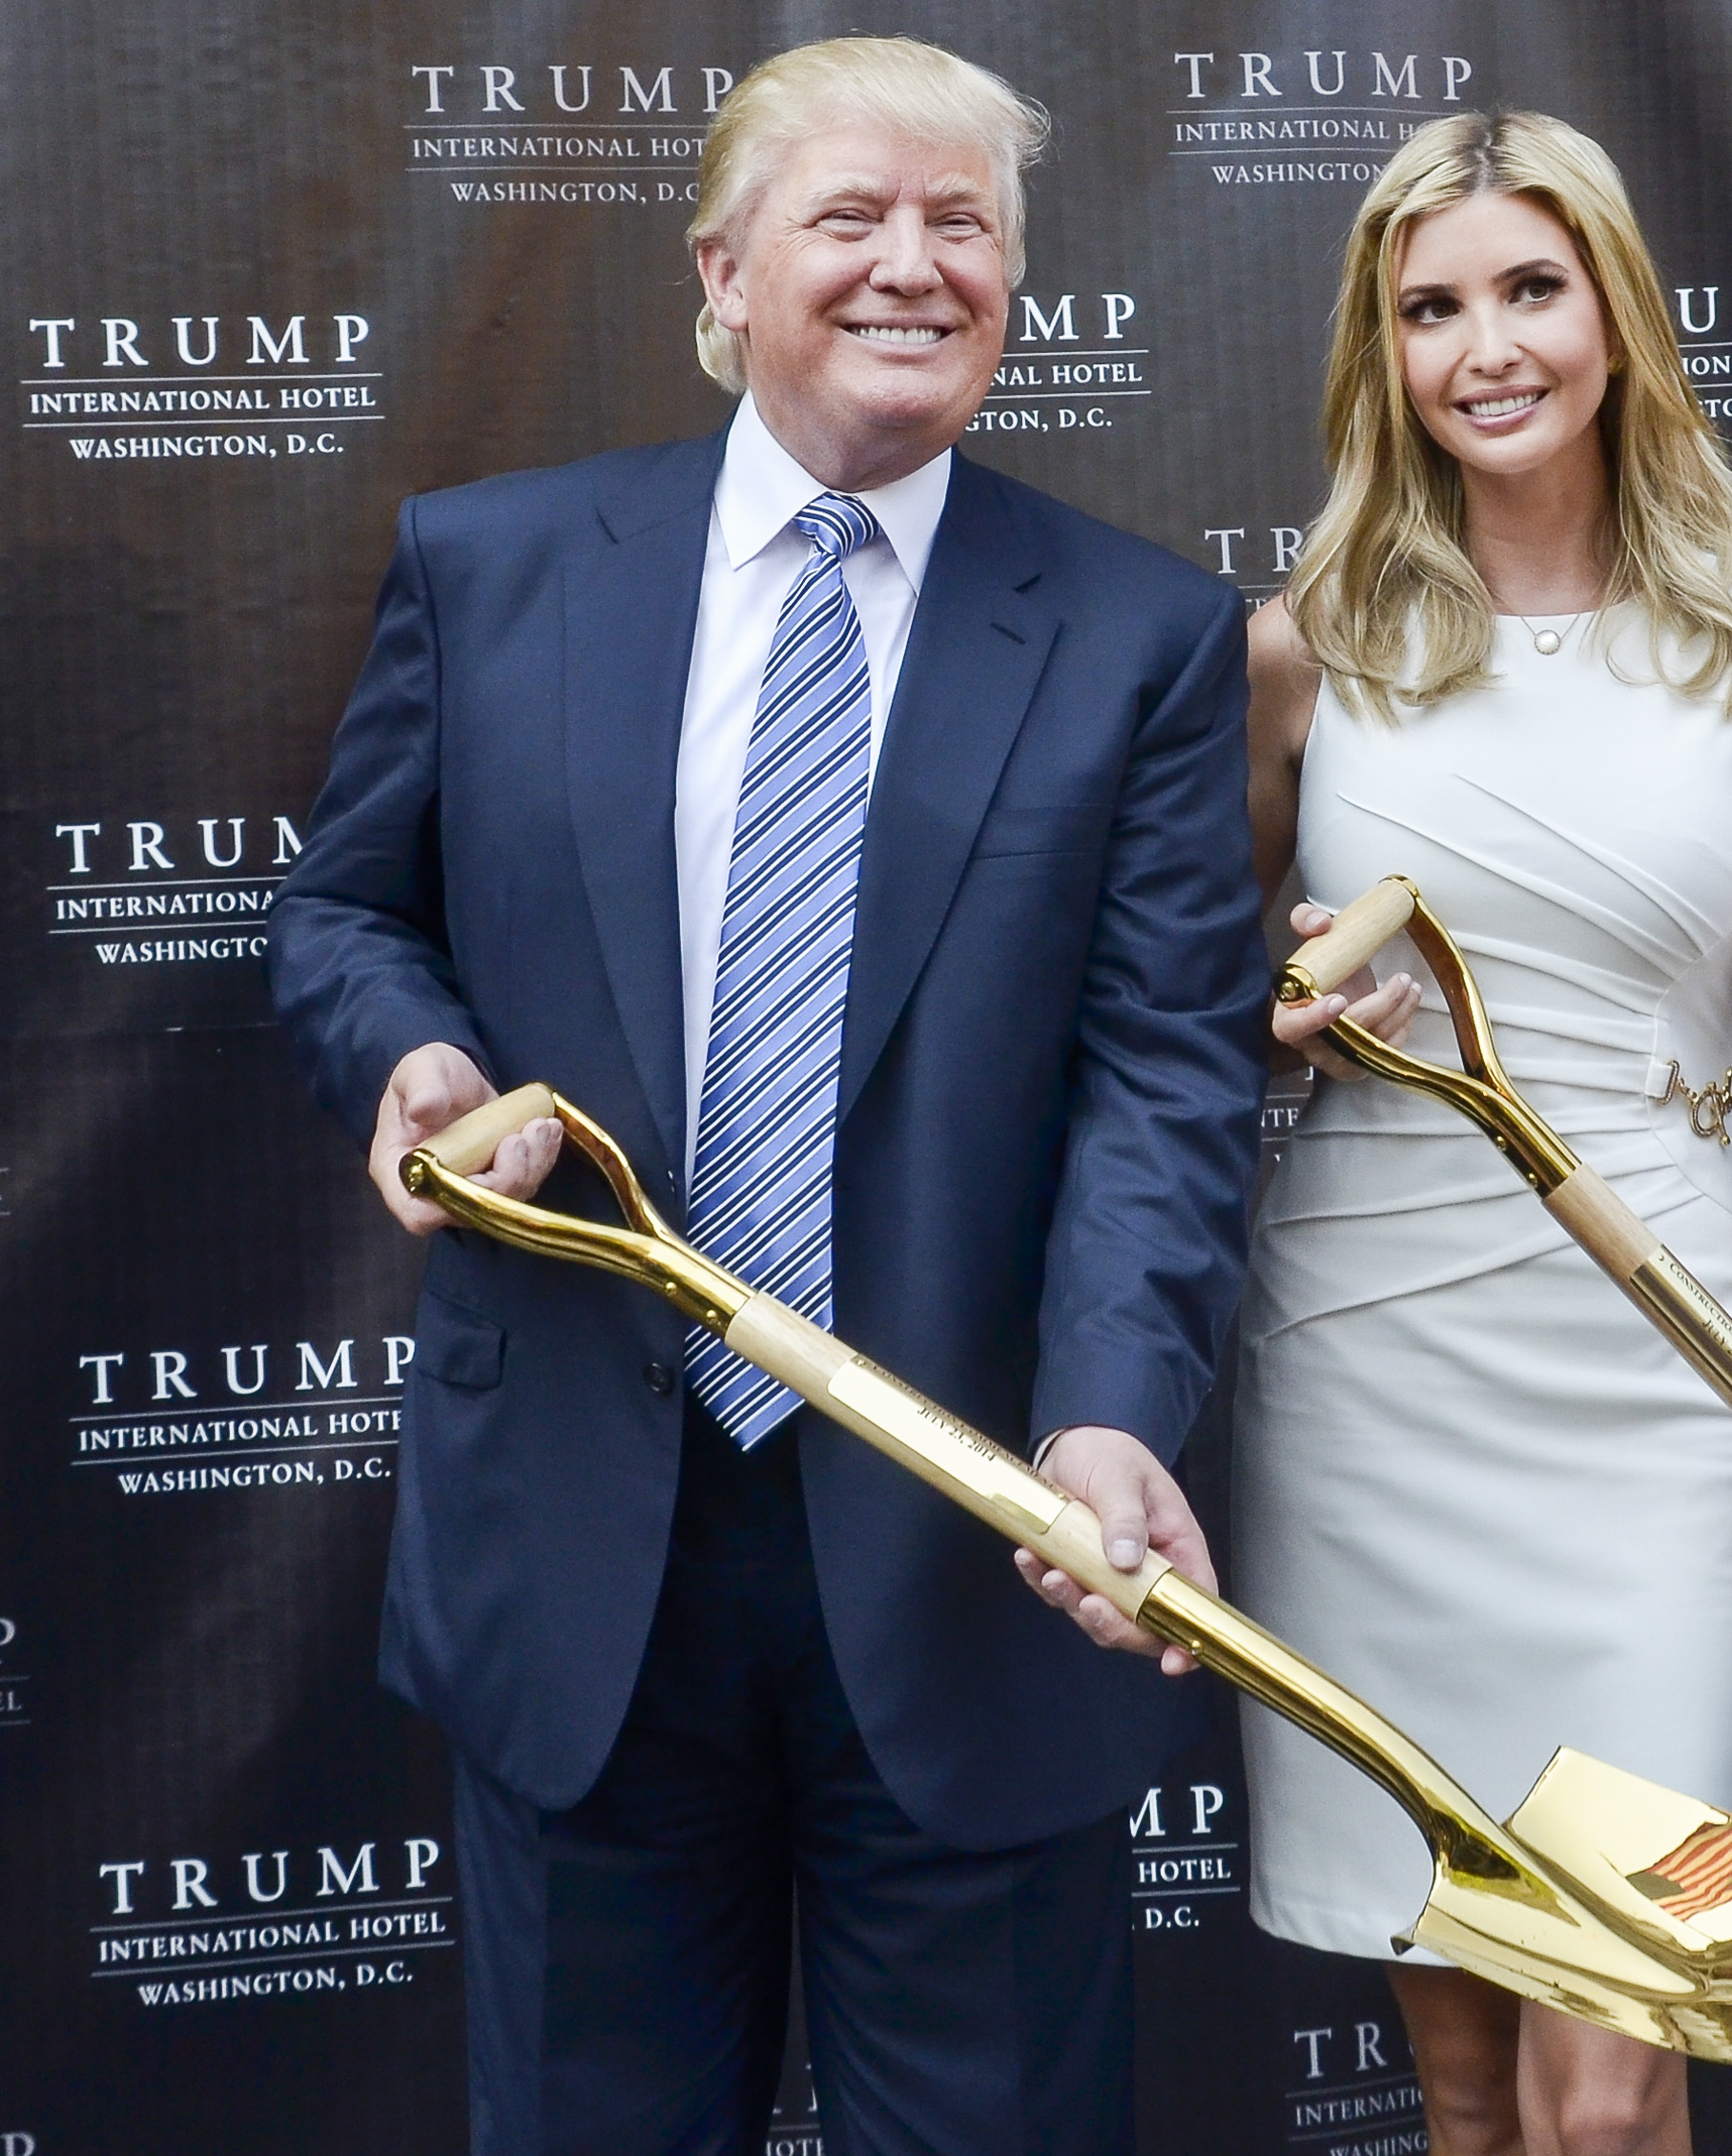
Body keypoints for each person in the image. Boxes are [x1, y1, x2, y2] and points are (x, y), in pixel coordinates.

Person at [266, 38, 1264, 2156]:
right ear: (722, 275)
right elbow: (346, 911)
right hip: (576, 1555)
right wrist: (415, 1057)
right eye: (852, 217)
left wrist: (1107, 1416)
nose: (915, 264)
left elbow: (1166, 1073)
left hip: (979, 1551)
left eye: (963, 224)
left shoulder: (1143, 633)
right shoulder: (491, 564)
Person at [1231, 110, 1732, 2156]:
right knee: (1467, 2086)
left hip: (1674, 1373)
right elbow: (1191, 1023)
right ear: (1382, 348)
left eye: (1530, 288)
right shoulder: (1301, 652)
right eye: (1431, 308)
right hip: (1371, 1367)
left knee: (1613, 2072)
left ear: (1619, 315)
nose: (1485, 346)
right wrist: (1287, 1010)